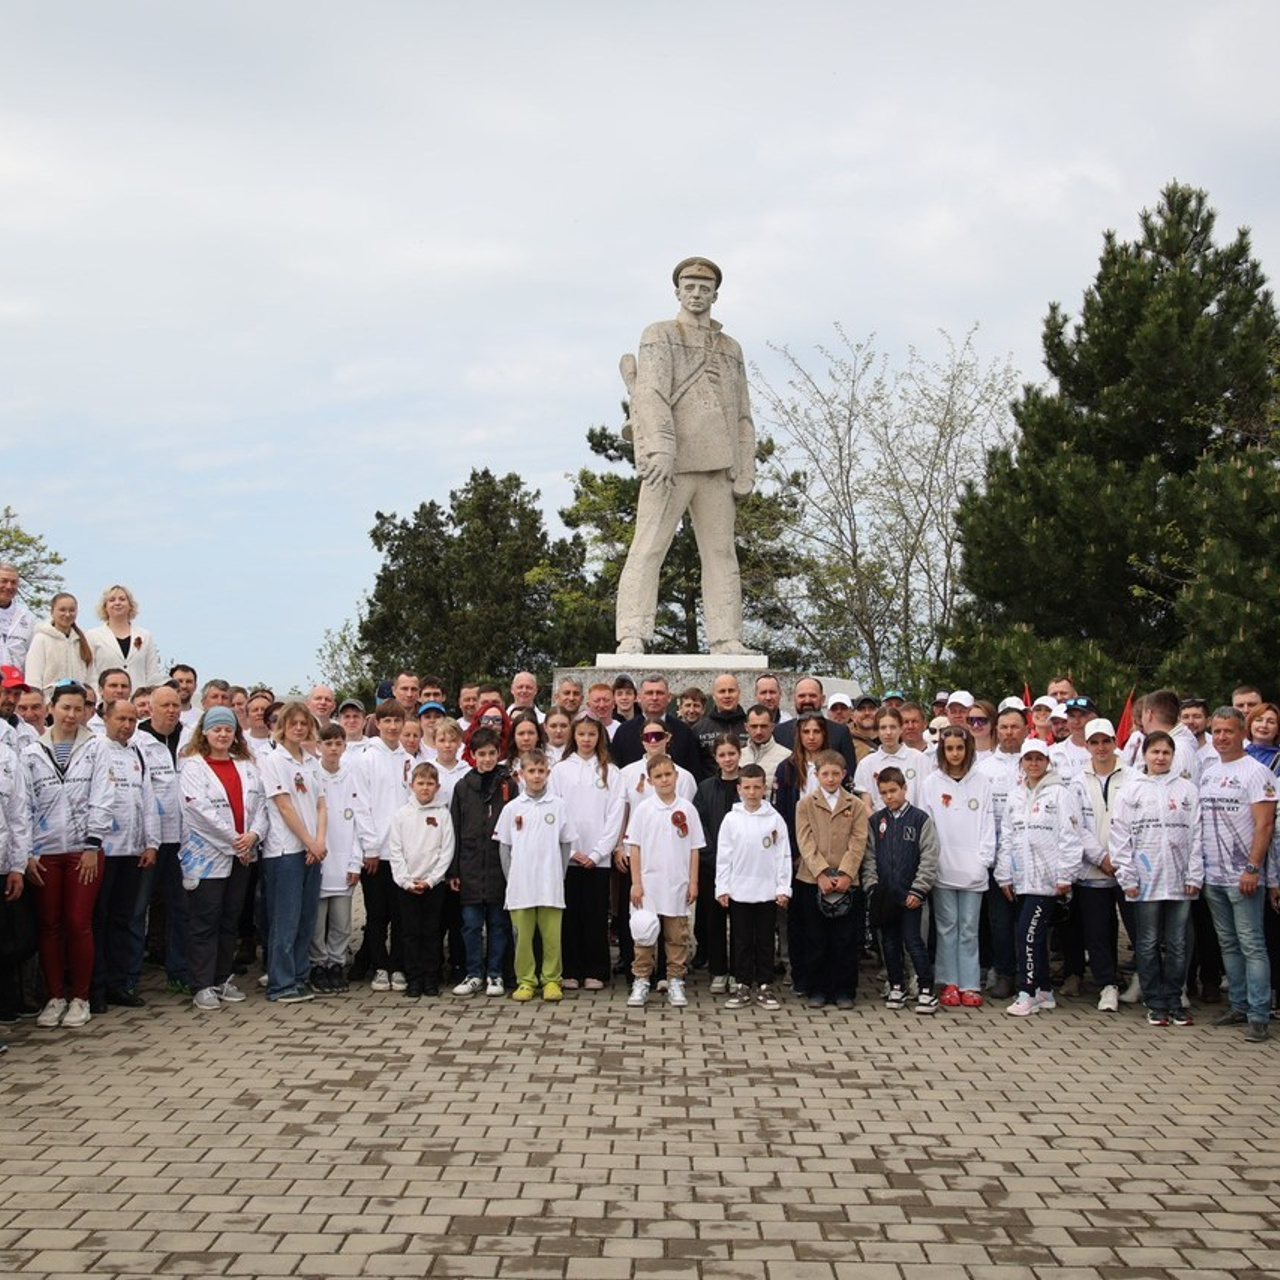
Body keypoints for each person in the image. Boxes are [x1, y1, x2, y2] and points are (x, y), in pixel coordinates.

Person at [615, 256, 756, 655]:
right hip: (671, 463)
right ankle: (632, 632)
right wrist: (659, 448)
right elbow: (651, 394)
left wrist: (745, 464)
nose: (697, 293)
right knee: (648, 546)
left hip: (719, 464)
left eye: (704, 287)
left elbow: (742, 410)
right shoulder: (660, 334)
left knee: (721, 553)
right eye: (690, 286)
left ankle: (727, 637)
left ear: (715, 293)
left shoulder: (730, 348)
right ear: (678, 291)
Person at [23, 682, 112, 1029]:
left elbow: (103, 796)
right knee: (50, 926)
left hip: (82, 852)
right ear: (51, 708)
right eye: (65, 708)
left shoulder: (96, 747)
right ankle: (55, 996)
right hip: (44, 852)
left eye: (78, 708)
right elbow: (23, 803)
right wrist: (28, 851)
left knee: (78, 923)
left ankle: (80, 997)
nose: (72, 715)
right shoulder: (31, 752)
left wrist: (92, 844)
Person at [1110, 730, 1203, 1027]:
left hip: (1180, 880)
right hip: (1145, 881)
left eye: (1166, 752)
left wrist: (1195, 874)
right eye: (1155, 752)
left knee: (1177, 943)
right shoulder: (1130, 790)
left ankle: (1175, 998)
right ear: (1145, 755)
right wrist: (1127, 877)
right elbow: (1120, 838)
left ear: (1173, 756)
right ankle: (1154, 1000)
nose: (1160, 757)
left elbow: (1197, 835)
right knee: (1147, 943)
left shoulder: (1187, 790)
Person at [178, 707, 268, 1012]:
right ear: (204, 731)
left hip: (243, 854)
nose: (222, 735)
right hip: (207, 856)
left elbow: (262, 808)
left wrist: (252, 836)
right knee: (206, 919)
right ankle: (202, 983)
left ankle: (221, 978)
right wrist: (234, 840)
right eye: (216, 729)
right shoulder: (193, 766)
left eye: (228, 730)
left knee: (230, 918)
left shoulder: (247, 766)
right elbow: (198, 810)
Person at [1199, 707, 1277, 1043]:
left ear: (1242, 731)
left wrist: (1253, 868)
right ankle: (1240, 1005)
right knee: (1228, 943)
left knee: (1252, 945)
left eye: (1228, 731)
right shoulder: (1208, 771)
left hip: (1243, 876)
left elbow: (1265, 824)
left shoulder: (1257, 772)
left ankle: (1259, 1014)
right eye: (1216, 731)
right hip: (1213, 876)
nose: (1221, 737)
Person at [997, 740, 1082, 1017]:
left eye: (1039, 758)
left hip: (1047, 882)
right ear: (1021, 762)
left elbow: (1070, 837)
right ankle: (1044, 990)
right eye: (1028, 758)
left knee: (1028, 935)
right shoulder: (1015, 796)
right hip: (1022, 880)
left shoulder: (1060, 794)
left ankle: (1028, 991)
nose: (1034, 763)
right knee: (1029, 934)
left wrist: (1065, 875)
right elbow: (1007, 838)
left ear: (1047, 761)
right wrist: (1004, 874)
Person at [918, 726, 995, 1009]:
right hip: (943, 869)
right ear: (942, 751)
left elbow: (988, 825)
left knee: (969, 929)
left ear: (968, 750)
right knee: (946, 927)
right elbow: (927, 827)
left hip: (973, 871)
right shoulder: (931, 783)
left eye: (959, 748)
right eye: (949, 748)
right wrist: (932, 862)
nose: (954, 753)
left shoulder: (982, 782)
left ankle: (971, 983)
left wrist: (983, 862)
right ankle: (949, 982)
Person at [90, 700, 158, 1012]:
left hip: (132, 851)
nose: (127, 725)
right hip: (103, 850)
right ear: (105, 718)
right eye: (121, 718)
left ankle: (119, 983)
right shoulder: (95, 750)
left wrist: (151, 843)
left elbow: (147, 799)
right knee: (98, 919)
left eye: (132, 720)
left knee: (123, 919)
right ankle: (96, 986)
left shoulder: (136, 753)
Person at [257, 701, 327, 1003]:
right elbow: (284, 805)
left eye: (304, 724)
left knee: (306, 919)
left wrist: (319, 840)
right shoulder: (275, 761)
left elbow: (322, 804)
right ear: (281, 727)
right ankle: (280, 983)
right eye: (293, 723)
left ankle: (299, 977)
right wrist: (308, 841)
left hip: (313, 850)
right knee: (285, 920)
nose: (299, 728)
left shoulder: (311, 762)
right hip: (286, 851)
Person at [549, 716, 625, 990]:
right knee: (569, 915)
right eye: (581, 734)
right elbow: (555, 810)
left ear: (599, 737)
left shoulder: (610, 772)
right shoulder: (560, 770)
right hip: (568, 856)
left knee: (595, 915)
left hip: (599, 859)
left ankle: (596, 970)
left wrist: (597, 852)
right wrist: (571, 850)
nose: (586, 739)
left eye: (592, 734)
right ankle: (570, 968)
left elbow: (616, 814)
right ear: (574, 736)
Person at [495, 750, 576, 1002]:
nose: (537, 775)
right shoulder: (512, 808)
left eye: (541, 771)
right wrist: (513, 878)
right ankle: (526, 981)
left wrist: (558, 875)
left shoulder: (559, 806)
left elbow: (565, 844)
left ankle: (552, 980)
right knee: (523, 938)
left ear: (548, 774)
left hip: (550, 885)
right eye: (531, 771)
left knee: (552, 937)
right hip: (521, 886)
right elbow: (504, 847)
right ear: (521, 775)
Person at [626, 754, 705, 1007]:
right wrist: (636, 883)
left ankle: (675, 981)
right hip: (648, 884)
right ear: (650, 781)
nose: (664, 780)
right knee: (644, 934)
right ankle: (641, 980)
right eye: (658, 776)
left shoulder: (687, 809)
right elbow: (634, 848)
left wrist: (693, 882)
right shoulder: (643, 810)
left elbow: (694, 848)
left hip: (677, 883)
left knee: (676, 935)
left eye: (668, 775)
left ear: (676, 776)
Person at [794, 749, 868, 1009]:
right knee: (816, 938)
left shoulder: (855, 805)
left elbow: (858, 841)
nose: (830, 778)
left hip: (846, 883)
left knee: (844, 939)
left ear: (844, 774)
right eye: (825, 774)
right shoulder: (805, 805)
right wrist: (821, 873)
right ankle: (817, 988)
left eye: (836, 773)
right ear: (816, 775)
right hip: (813, 880)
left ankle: (844, 990)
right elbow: (805, 840)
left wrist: (847, 873)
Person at [863, 766, 940, 1015]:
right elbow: (869, 857)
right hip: (886, 896)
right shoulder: (877, 821)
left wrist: (919, 889)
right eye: (883, 792)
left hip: (911, 895)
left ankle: (926, 988)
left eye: (893, 791)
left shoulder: (919, 820)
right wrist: (872, 886)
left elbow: (929, 855)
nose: (889, 797)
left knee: (913, 941)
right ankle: (896, 985)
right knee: (889, 942)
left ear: (905, 789)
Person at [1064, 718, 1129, 1011]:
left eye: (1106, 741)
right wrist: (1101, 857)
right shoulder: (1077, 782)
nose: (1101, 748)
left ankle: (1146, 982)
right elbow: (1077, 827)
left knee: (1139, 931)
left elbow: (1135, 823)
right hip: (1092, 871)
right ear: (1087, 746)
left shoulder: (1133, 778)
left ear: (1115, 741)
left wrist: (1118, 858)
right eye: (1094, 742)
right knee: (1098, 932)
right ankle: (1107, 986)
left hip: (1128, 869)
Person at [448, 727, 516, 999]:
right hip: (471, 866)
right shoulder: (463, 787)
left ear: (498, 753)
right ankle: (474, 973)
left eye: (492, 753)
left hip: (499, 867)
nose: (487, 759)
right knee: (471, 925)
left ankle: (496, 973)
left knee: (499, 925)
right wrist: (454, 869)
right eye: (481, 754)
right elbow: (455, 826)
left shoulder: (508, 784)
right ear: (472, 755)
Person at [715, 763, 789, 1010]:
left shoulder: (775, 819)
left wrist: (783, 888)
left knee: (766, 940)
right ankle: (743, 984)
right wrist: (722, 887)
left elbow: (783, 856)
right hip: (739, 890)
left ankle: (765, 985)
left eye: (757, 787)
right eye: (747, 787)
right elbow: (724, 856)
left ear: (764, 788)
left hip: (767, 891)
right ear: (739, 789)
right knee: (741, 939)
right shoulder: (731, 819)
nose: (752, 792)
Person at [352, 699, 411, 993]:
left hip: (402, 853)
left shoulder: (408, 759)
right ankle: (380, 966)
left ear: (403, 723)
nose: (392, 726)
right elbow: (360, 805)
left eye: (397, 721)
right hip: (375, 853)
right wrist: (370, 848)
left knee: (401, 914)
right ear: (378, 723)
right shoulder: (366, 758)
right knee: (376, 915)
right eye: (386, 721)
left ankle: (398, 965)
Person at [310, 722, 371, 994]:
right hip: (320, 858)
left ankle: (336, 963)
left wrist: (355, 861)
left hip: (345, 861)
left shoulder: (352, 776)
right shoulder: (312, 775)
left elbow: (359, 820)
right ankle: (318, 964)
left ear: (345, 746)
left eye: (338, 744)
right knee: (316, 921)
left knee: (341, 921)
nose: (333, 749)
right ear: (319, 746)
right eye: (328, 743)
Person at [388, 762, 454, 998]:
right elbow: (396, 851)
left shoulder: (443, 814)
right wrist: (406, 881)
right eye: (421, 783)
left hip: (433, 885)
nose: (425, 788)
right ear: (411, 785)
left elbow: (446, 850)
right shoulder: (401, 815)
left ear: (437, 787)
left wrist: (433, 879)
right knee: (410, 932)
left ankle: (430, 977)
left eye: (429, 784)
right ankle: (413, 978)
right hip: (407, 885)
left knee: (432, 932)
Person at [691, 732, 741, 991]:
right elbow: (698, 826)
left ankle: (738, 971)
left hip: (743, 867)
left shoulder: (749, 786)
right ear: (715, 758)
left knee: (741, 921)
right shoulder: (705, 788)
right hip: (712, 866)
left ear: (739, 754)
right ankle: (718, 970)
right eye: (722, 755)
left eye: (732, 753)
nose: (727, 759)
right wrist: (713, 856)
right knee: (714, 920)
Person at [611, 676, 705, 779]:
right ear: (638, 698)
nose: (654, 698)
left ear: (669, 697)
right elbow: (615, 772)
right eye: (649, 693)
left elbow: (694, 773)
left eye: (659, 693)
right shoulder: (624, 731)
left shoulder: (684, 731)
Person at [773, 677, 859, 774]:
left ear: (822, 699)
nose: (807, 700)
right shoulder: (779, 731)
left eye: (812, 696)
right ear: (794, 699)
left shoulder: (840, 732)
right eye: (802, 696)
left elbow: (850, 772)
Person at [85, 585, 163, 691]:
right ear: (105, 607)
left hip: (138, 702)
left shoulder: (145, 636)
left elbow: (152, 673)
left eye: (122, 599)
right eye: (112, 600)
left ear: (130, 605)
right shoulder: (93, 636)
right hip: (105, 702)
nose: (117, 603)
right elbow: (90, 673)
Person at [854, 708, 931, 811]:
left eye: (893, 727)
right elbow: (866, 805)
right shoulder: (866, 764)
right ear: (876, 731)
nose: (888, 732)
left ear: (901, 728)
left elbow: (927, 799)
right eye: (883, 728)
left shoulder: (920, 759)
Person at [23, 594, 94, 698]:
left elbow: (89, 677)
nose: (67, 614)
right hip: (49, 704)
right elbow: (33, 678)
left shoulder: (81, 641)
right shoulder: (41, 639)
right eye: (62, 610)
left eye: (72, 610)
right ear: (52, 612)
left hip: (77, 704)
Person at [690, 674, 748, 766]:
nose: (727, 695)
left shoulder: (752, 725)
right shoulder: (699, 730)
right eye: (722, 691)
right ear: (713, 695)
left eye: (731, 691)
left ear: (739, 693)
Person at [0, 562, 36, 670]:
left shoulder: (27, 618)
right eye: (4, 581)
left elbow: (31, 655)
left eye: (14, 582)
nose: (9, 586)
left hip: (16, 683)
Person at [741, 704, 790, 778]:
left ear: (772, 727)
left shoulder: (787, 757)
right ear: (746, 727)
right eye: (754, 726)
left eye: (763, 726)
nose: (758, 732)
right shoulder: (738, 756)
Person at [1244, 702, 1280, 773]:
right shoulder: (1238, 755)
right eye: (1259, 720)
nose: (1264, 725)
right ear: (1250, 725)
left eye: (1271, 722)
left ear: (1278, 729)